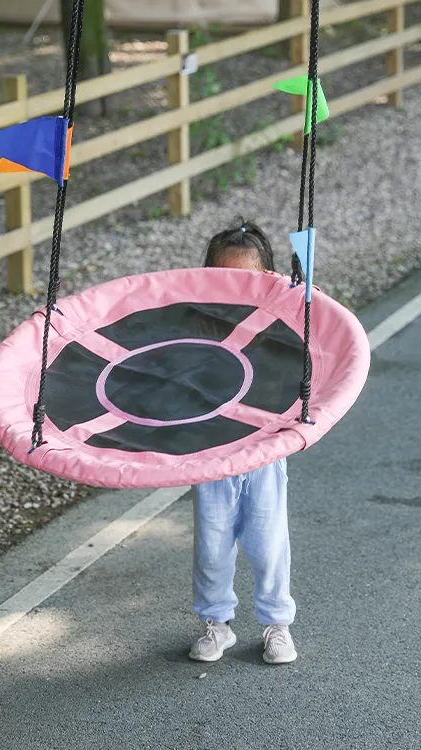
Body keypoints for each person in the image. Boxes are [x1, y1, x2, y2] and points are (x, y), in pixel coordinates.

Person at [189, 217, 297, 665]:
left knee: (268, 541)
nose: (236, 287)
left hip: (264, 449)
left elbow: (310, 365)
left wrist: (300, 301)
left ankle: (277, 625)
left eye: (247, 278)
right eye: (225, 277)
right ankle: (217, 624)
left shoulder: (283, 321)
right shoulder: (192, 325)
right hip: (212, 449)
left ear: (267, 279)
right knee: (212, 544)